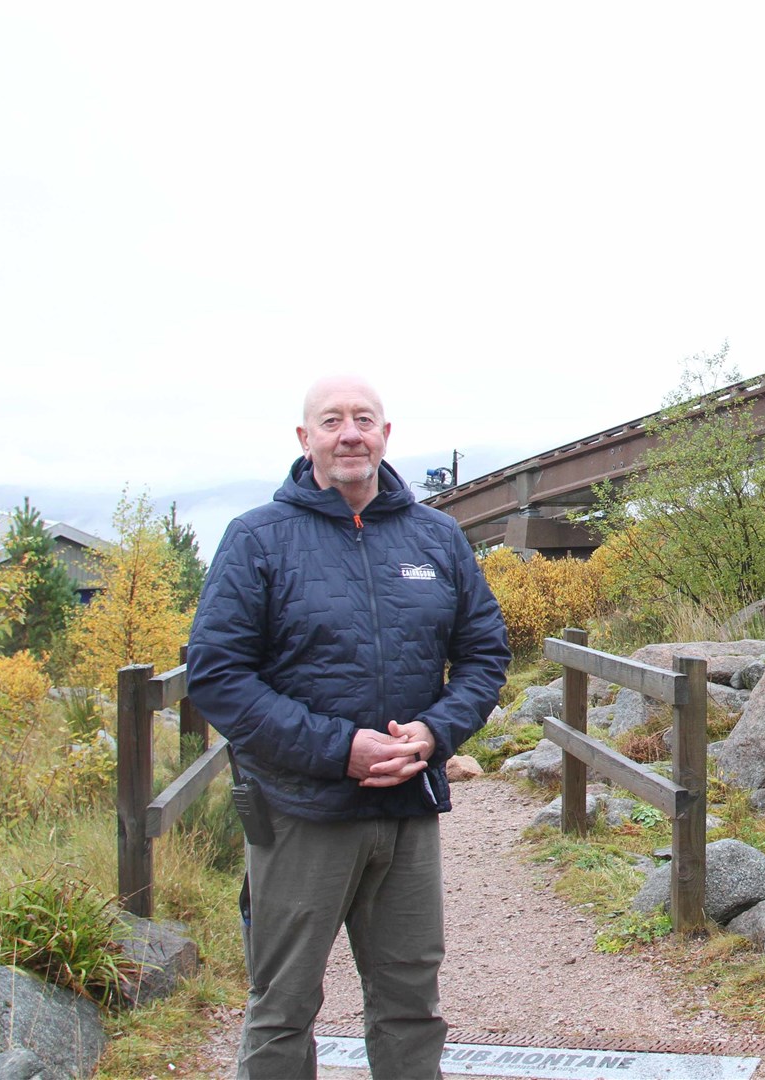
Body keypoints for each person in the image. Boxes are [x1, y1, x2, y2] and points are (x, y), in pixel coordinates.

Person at [188, 375, 510, 1079]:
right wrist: (341, 750)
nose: (350, 433)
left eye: (364, 419)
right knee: (283, 1008)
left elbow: (486, 654)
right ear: (305, 440)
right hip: (301, 811)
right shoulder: (258, 540)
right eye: (331, 421)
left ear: (386, 435)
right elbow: (215, 674)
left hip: (407, 810)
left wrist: (435, 733)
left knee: (410, 1006)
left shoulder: (437, 537)